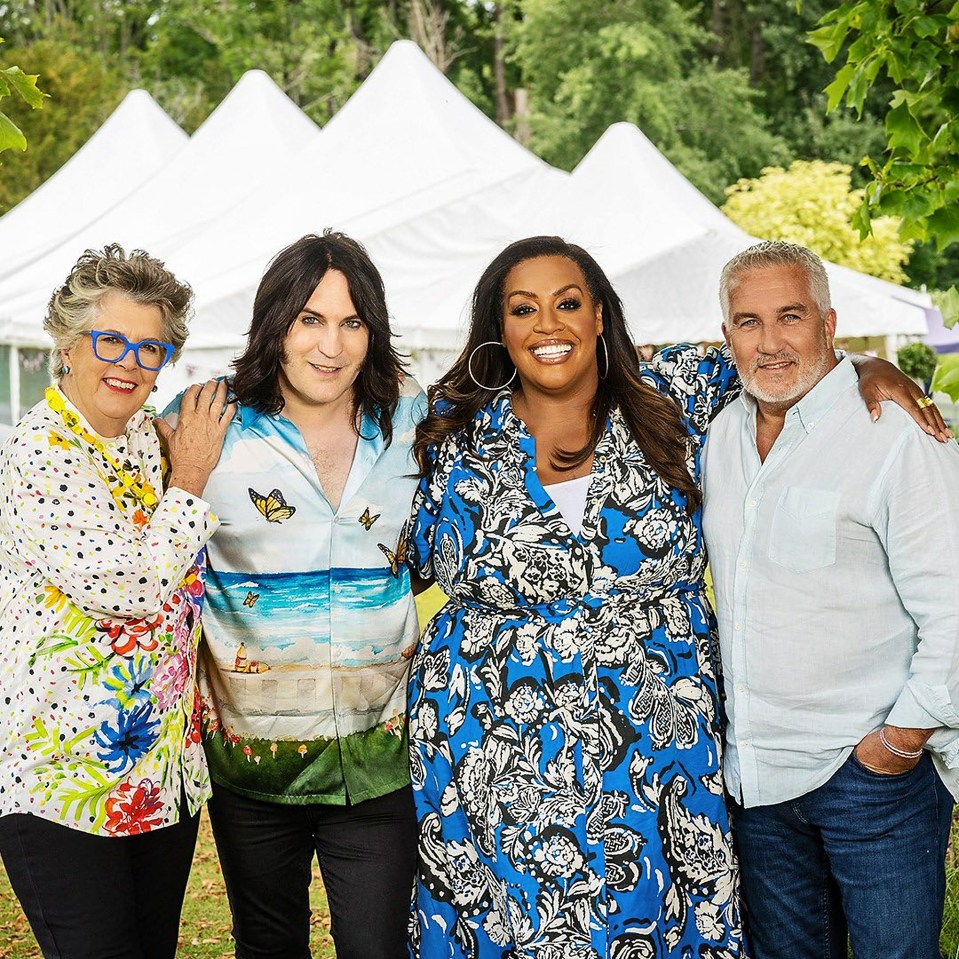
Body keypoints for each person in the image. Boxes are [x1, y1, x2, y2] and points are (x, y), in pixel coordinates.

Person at [404, 235, 943, 959]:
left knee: (655, 928)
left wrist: (874, 367)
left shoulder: (672, 396)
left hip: (659, 762)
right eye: (522, 308)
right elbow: (392, 561)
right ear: (497, 328)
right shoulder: (455, 431)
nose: (548, 325)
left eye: (568, 303)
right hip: (498, 760)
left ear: (599, 314)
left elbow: (791, 357)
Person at [164, 232, 425, 959]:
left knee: (378, 947)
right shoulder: (203, 418)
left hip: (380, 761)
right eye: (309, 319)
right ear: (274, 323)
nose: (330, 345)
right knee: (268, 945)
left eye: (350, 322)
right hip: (254, 766)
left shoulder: (412, 421)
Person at [701, 240, 959, 959]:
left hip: (871, 779)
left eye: (790, 316)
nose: (770, 341)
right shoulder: (713, 437)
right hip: (756, 782)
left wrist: (900, 739)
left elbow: (954, 602)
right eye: (748, 322)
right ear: (726, 337)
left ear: (828, 323)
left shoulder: (895, 433)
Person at [0, 244, 233, 959]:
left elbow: (182, 585)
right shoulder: (37, 455)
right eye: (110, 340)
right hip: (63, 784)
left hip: (156, 777)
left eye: (150, 347)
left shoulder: (146, 442)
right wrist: (191, 474)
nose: (128, 363)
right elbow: (130, 590)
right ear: (67, 344)